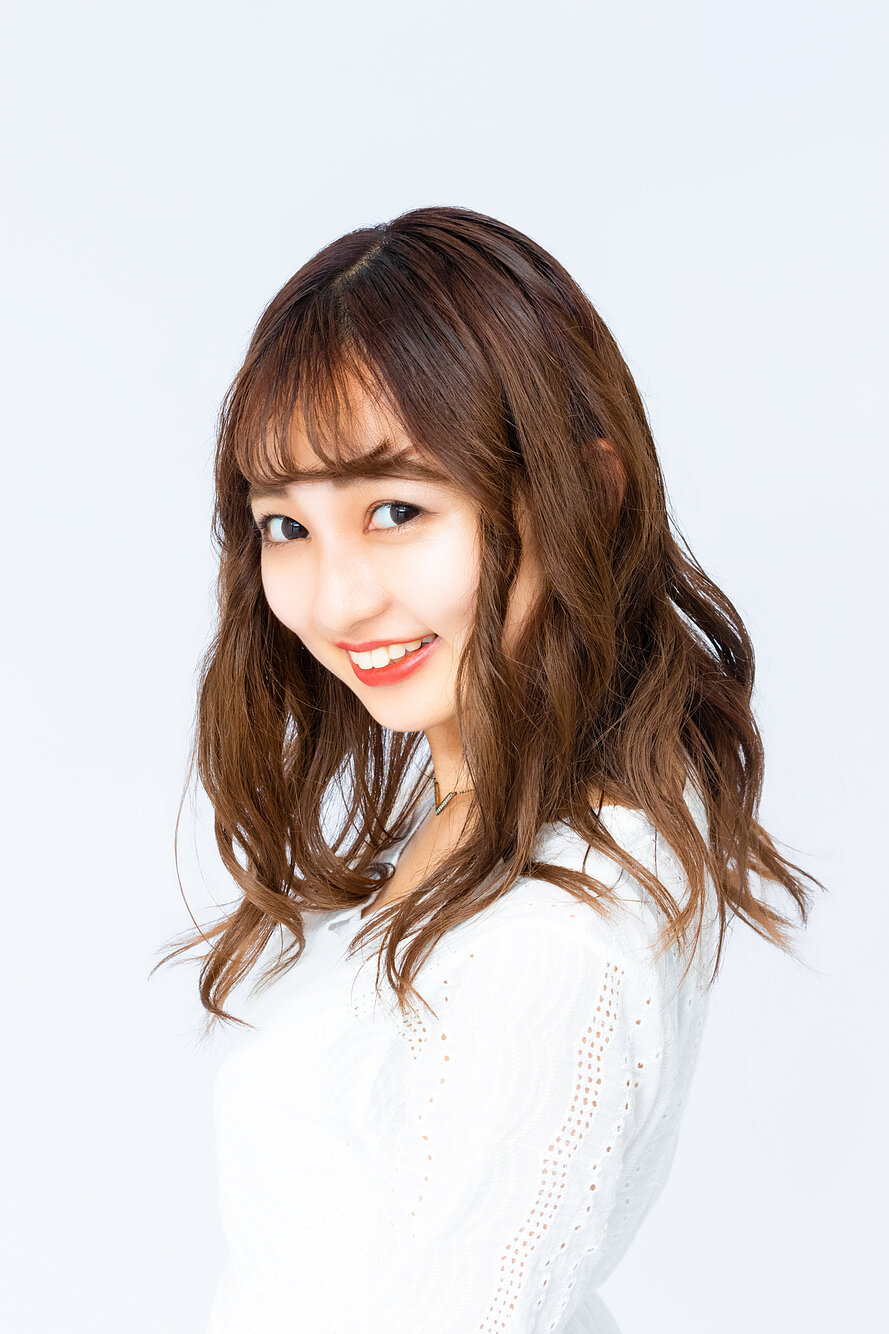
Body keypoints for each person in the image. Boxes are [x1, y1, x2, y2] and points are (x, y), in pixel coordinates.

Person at [155, 205, 822, 1333]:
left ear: (584, 493)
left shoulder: (552, 937)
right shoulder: (481, 822)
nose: (337, 599)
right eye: (286, 527)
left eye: (396, 510)